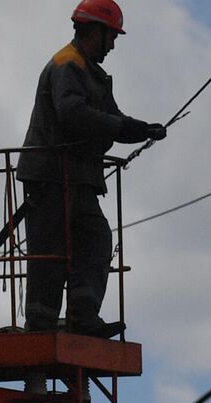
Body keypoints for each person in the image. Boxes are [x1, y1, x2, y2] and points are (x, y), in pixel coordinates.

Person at [16, 0, 167, 339]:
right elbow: (72, 112)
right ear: (94, 32)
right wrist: (122, 128)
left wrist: (141, 129)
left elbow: (111, 119)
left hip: (78, 179)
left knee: (96, 242)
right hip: (51, 178)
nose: (112, 46)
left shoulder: (91, 73)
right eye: (111, 37)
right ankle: (39, 328)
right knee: (50, 254)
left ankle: (83, 318)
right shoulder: (66, 65)